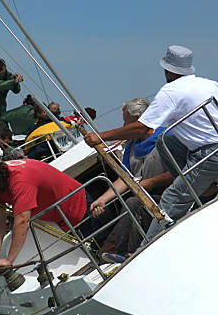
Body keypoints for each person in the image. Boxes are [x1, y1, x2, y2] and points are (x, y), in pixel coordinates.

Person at [83, 45, 218, 243]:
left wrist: (101, 136)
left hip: (209, 153)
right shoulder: (210, 84)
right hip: (207, 150)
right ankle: (196, 186)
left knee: (171, 198)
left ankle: (146, 248)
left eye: (127, 121)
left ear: (167, 70)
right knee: (168, 141)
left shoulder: (171, 91)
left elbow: (143, 129)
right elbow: (128, 173)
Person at [89, 98, 173, 262]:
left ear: (138, 121)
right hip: (146, 200)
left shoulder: (166, 136)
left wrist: (150, 183)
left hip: (170, 196)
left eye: (126, 122)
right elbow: (126, 178)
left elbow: (179, 172)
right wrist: (103, 199)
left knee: (133, 203)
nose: (123, 127)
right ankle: (117, 254)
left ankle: (126, 253)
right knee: (133, 204)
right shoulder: (131, 147)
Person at [0, 157, 89, 267]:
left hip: (77, 208)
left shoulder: (20, 181)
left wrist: (9, 260)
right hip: (58, 218)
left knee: (98, 246)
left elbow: (22, 221)